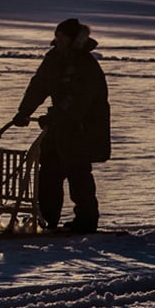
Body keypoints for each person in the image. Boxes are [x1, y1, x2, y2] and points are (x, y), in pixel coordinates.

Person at [11, 18, 111, 233]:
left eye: (63, 37)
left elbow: (81, 98)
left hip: (82, 128)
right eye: (57, 36)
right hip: (59, 129)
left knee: (78, 175)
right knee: (48, 173)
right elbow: (39, 85)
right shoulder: (54, 59)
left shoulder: (85, 64)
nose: (59, 40)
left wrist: (58, 115)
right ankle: (47, 220)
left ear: (73, 38)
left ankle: (86, 221)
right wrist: (23, 112)